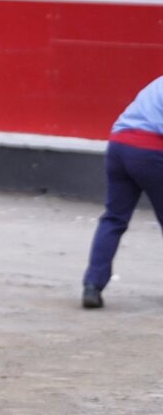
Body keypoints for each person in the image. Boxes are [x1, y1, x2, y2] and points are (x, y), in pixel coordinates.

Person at [81, 76, 163, 309]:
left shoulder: (157, 83)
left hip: (118, 146)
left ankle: (92, 285)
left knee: (114, 218)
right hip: (151, 151)